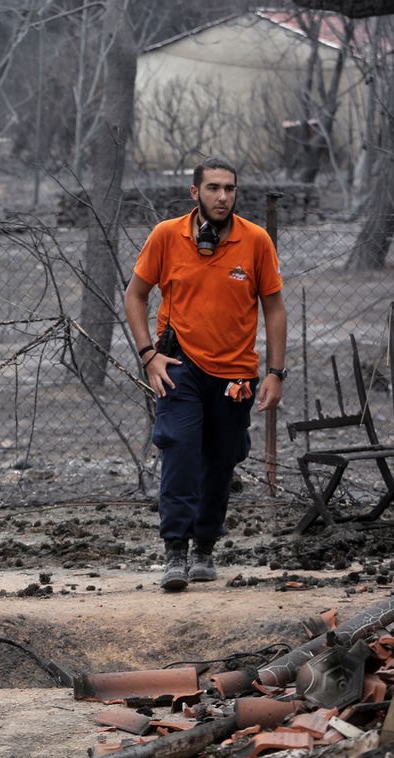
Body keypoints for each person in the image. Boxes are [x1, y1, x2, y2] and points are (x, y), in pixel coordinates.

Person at [123, 156, 287, 592]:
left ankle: (205, 547)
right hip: (180, 366)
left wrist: (275, 372)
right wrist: (148, 354)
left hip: (235, 373)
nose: (222, 196)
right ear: (195, 192)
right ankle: (175, 549)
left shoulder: (255, 241)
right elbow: (135, 295)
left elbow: (273, 308)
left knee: (222, 457)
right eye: (213, 188)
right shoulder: (166, 235)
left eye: (229, 188)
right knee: (179, 447)